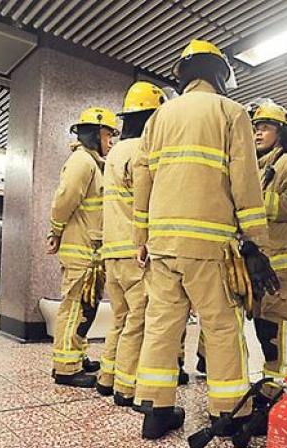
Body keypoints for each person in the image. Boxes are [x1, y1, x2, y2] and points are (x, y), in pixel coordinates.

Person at [132, 39, 277, 440]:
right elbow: (245, 178)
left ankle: (156, 411)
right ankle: (227, 412)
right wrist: (256, 240)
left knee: (161, 324)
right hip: (209, 245)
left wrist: (140, 236)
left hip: (162, 244)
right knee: (221, 326)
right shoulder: (230, 113)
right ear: (219, 74)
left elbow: (142, 179)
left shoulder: (158, 117)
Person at [96, 81, 171, 404]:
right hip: (133, 250)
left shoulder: (115, 153)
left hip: (112, 251)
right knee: (138, 319)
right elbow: (146, 201)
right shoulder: (143, 151)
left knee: (121, 317)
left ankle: (106, 376)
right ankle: (125, 387)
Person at [46, 107, 117, 388]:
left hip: (91, 251)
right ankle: (65, 368)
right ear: (95, 134)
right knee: (75, 306)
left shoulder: (93, 162)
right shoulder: (81, 161)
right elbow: (64, 200)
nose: (111, 141)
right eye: (108, 134)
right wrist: (55, 230)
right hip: (80, 250)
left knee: (85, 306)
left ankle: (77, 353)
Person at [250, 101, 287, 395]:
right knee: (266, 335)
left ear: (282, 132)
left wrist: (252, 206)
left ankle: (280, 397)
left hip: (284, 267)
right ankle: (269, 391)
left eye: (265, 127)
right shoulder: (258, 169)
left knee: (282, 334)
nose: (258, 133)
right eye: (256, 128)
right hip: (262, 265)